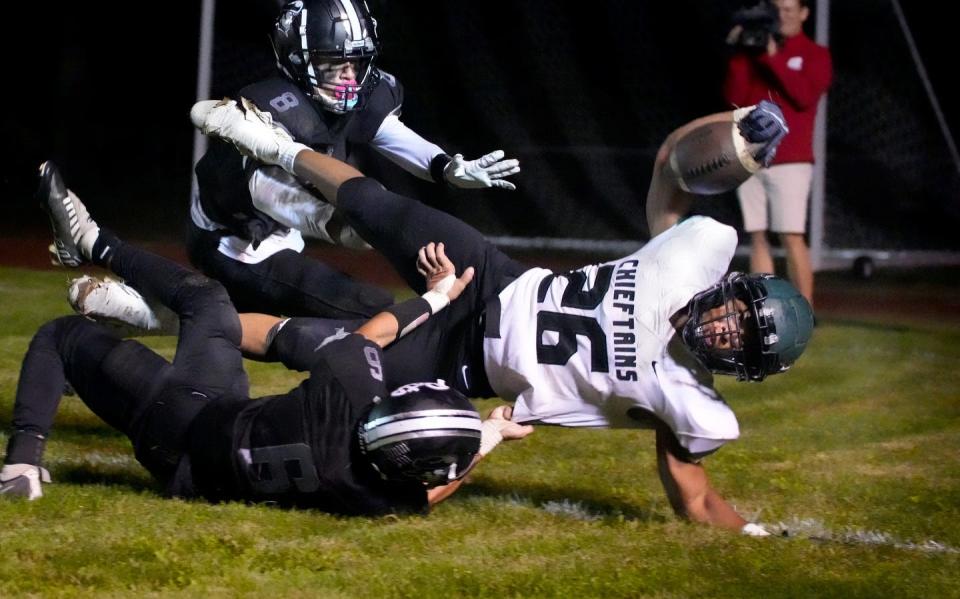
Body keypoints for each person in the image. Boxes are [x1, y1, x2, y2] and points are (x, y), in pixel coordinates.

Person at [181, 95, 815, 536]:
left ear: (744, 369)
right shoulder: (692, 255)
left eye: (743, 341)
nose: (728, 327)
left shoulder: (691, 404)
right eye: (740, 312)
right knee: (380, 207)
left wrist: (757, 535)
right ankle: (272, 144)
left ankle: (171, 316)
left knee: (319, 348)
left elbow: (697, 501)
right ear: (733, 288)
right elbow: (672, 165)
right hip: (490, 278)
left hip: (461, 367)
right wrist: (738, 131)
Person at [0, 161, 532, 513]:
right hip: (189, 471)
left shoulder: (346, 393)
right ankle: (130, 315)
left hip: (189, 414)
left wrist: (438, 296)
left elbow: (376, 332)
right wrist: (490, 435)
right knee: (189, 335)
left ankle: (95, 242)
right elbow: (434, 489)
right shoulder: (378, 494)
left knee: (112, 324)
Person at [189, 0, 520, 320]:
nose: (349, 76)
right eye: (333, 63)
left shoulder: (348, 99)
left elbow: (388, 131)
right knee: (368, 308)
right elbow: (272, 194)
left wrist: (446, 166)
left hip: (281, 235)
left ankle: (231, 319)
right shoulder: (268, 111)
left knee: (277, 322)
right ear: (295, 59)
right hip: (235, 243)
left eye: (356, 63)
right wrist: (354, 226)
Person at [723, 0, 833, 307]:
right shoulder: (753, 54)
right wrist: (740, 53)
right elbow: (734, 97)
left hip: (791, 161)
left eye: (788, 10)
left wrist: (774, 58)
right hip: (751, 156)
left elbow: (803, 96)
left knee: (791, 235)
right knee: (757, 235)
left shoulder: (815, 54)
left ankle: (806, 307)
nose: (782, 17)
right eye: (777, 11)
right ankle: (765, 305)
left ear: (803, 13)